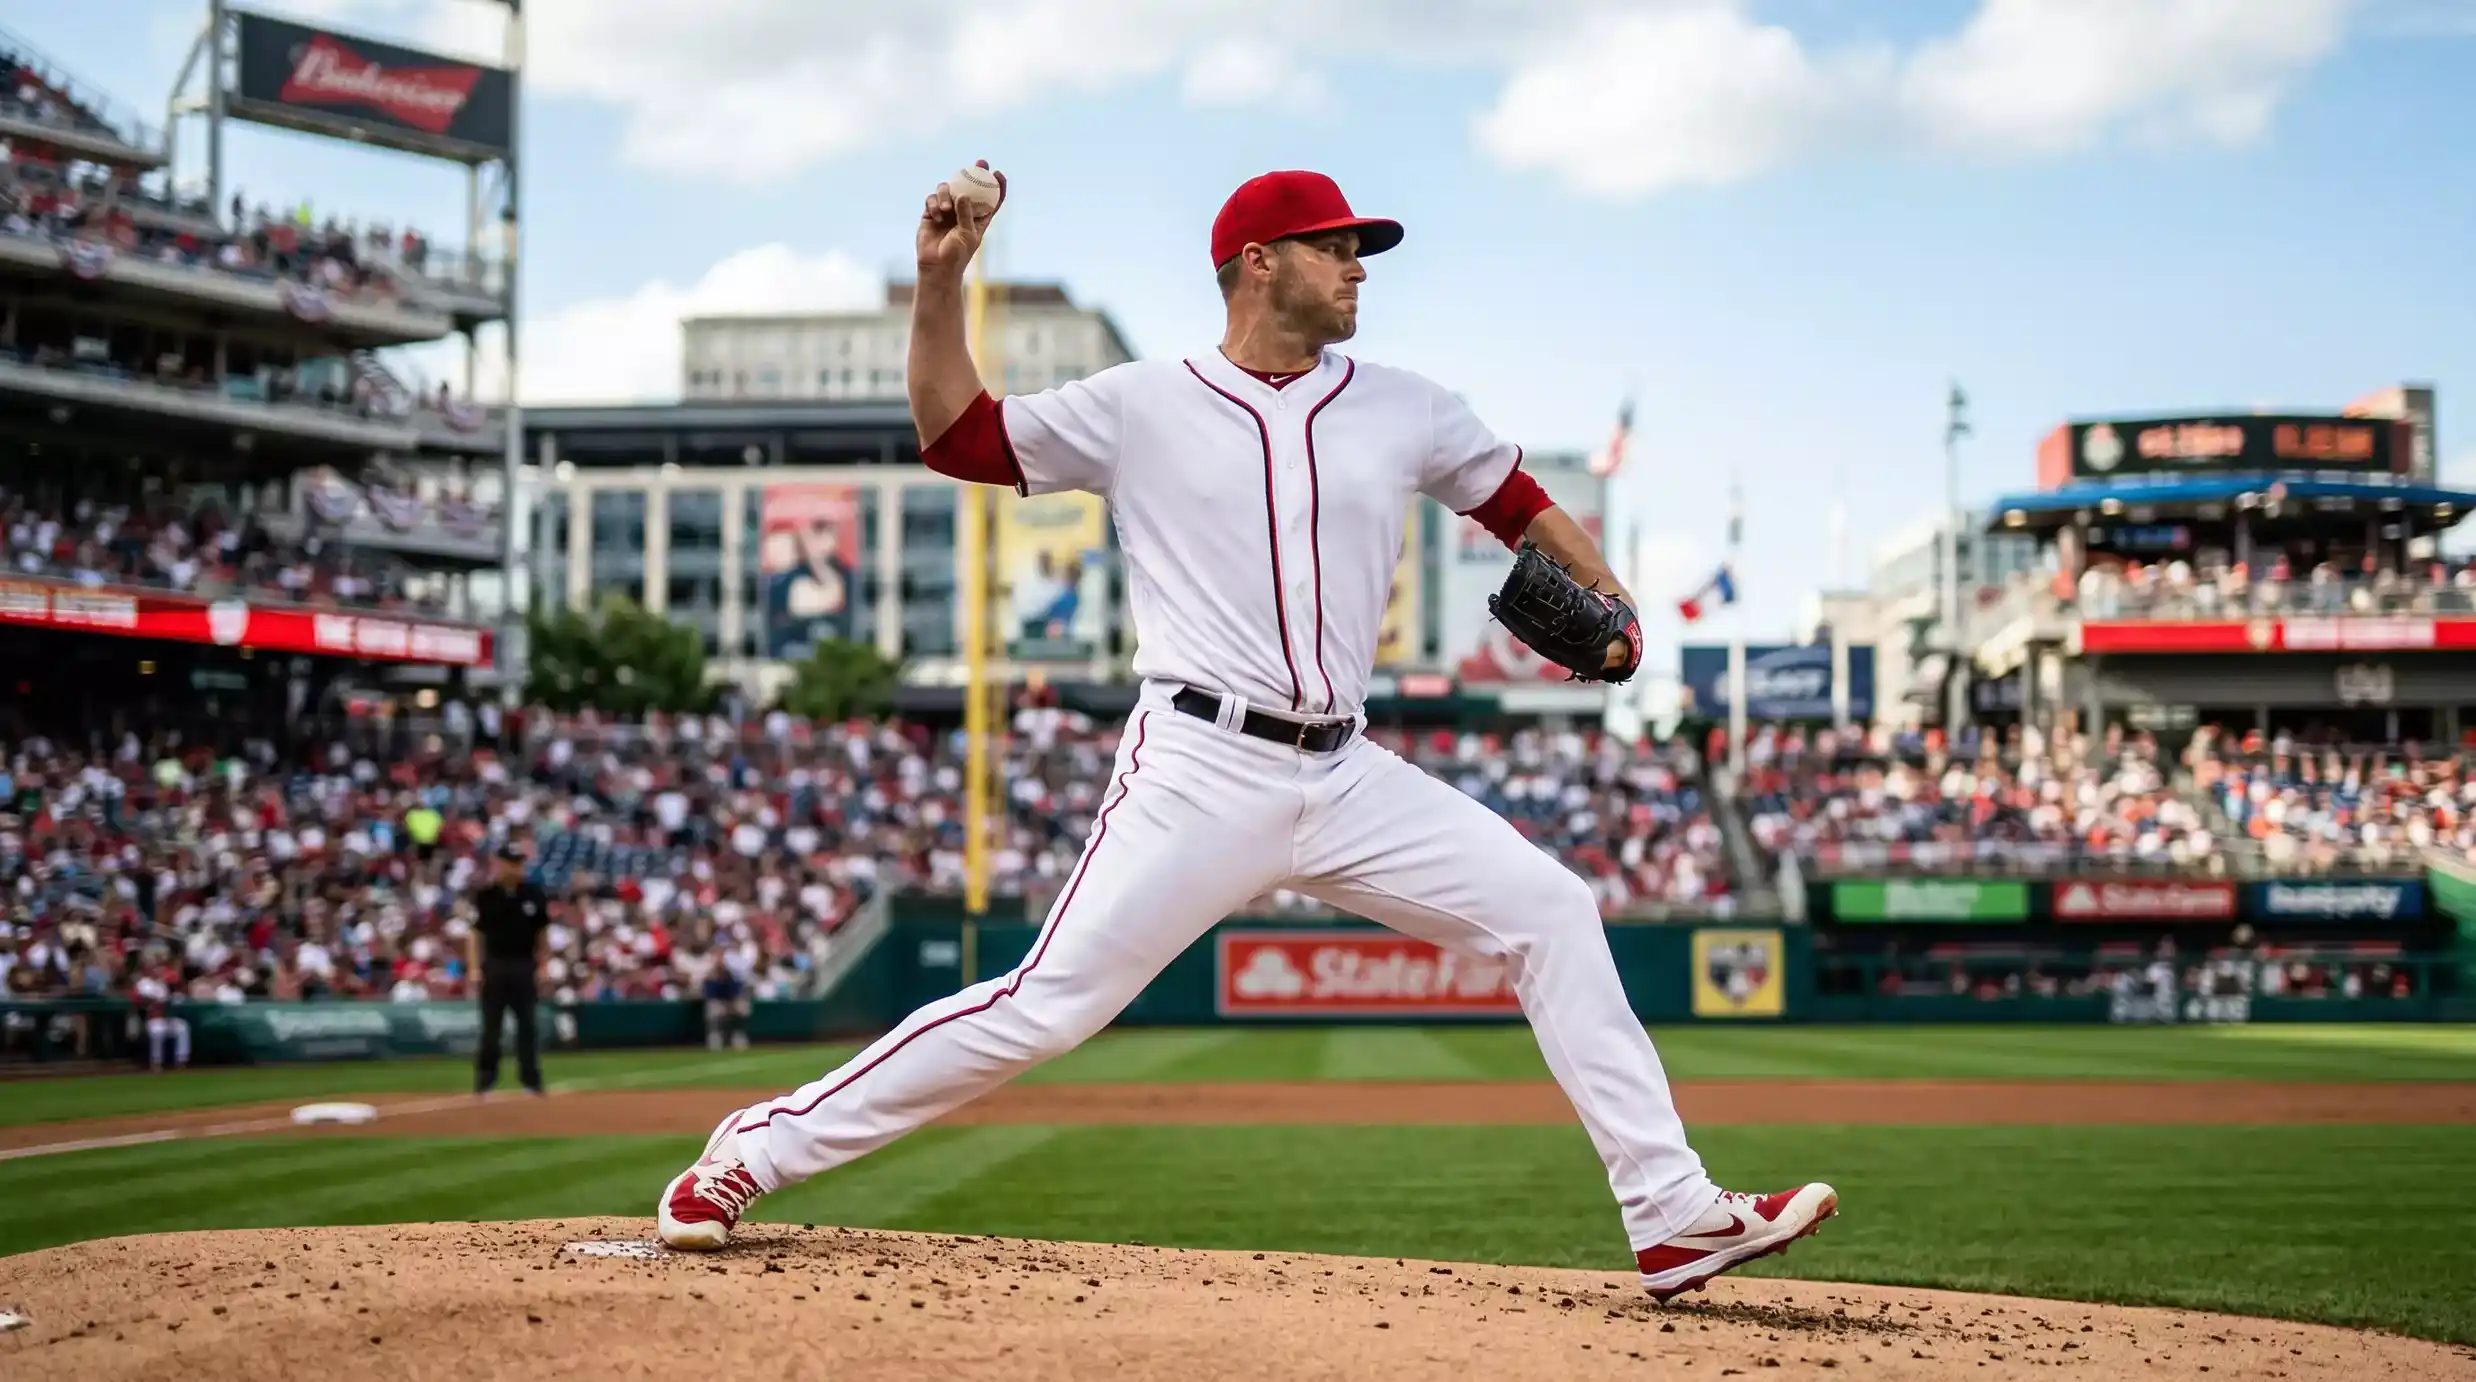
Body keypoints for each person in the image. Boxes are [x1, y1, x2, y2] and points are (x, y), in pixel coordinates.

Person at [656, 166, 1836, 1302]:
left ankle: (1670, 1212)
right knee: (1048, 1002)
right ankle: (750, 1152)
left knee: (1551, 909)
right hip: (1198, 766)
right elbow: (955, 434)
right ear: (1257, 263)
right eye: (1336, 246)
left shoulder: (1406, 404)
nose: (1358, 267)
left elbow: (1518, 504)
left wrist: (1615, 604)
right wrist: (938, 281)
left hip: (1348, 768)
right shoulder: (1139, 402)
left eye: (1359, 250)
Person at [469, 843, 550, 1095]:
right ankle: (485, 1081)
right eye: (513, 863)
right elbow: (475, 934)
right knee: (491, 1027)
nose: (518, 868)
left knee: (527, 1025)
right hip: (495, 964)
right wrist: (474, 967)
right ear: (499, 864)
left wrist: (544, 964)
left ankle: (531, 1081)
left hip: (524, 964)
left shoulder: (534, 893)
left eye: (520, 863)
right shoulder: (486, 895)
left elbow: (542, 932)